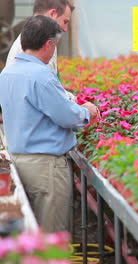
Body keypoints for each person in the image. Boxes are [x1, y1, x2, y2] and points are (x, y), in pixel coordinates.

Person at [0, 15, 100, 232]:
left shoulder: (7, 74)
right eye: (56, 44)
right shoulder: (41, 75)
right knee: (52, 235)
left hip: (20, 160)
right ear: (49, 44)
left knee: (32, 232)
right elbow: (65, 115)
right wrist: (87, 112)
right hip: (46, 168)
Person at [6, 0, 75, 100]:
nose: (65, 29)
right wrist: (80, 107)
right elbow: (50, 93)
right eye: (65, 22)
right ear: (52, 14)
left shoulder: (41, 41)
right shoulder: (33, 46)